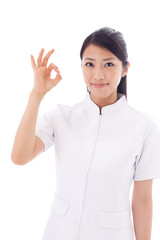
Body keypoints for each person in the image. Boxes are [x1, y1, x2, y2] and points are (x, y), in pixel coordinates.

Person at [11, 27, 160, 240]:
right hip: (59, 232)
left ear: (125, 68)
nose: (98, 75)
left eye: (109, 64)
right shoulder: (62, 117)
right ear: (81, 66)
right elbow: (19, 156)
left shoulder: (144, 127)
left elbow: (143, 199)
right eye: (89, 64)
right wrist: (36, 95)